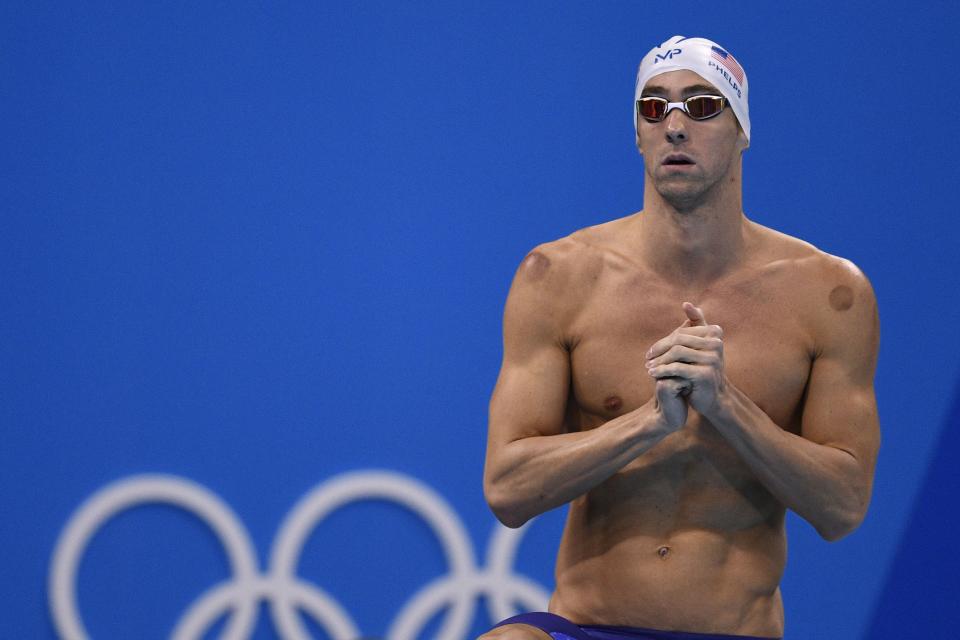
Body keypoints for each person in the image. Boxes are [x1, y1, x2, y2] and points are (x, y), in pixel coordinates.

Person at [479, 36, 880, 640]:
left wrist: (728, 407)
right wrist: (647, 423)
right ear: (636, 135)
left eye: (701, 106)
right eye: (653, 107)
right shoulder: (558, 278)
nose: (673, 126)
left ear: (741, 129)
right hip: (585, 625)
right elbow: (506, 489)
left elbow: (842, 507)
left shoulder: (829, 295)